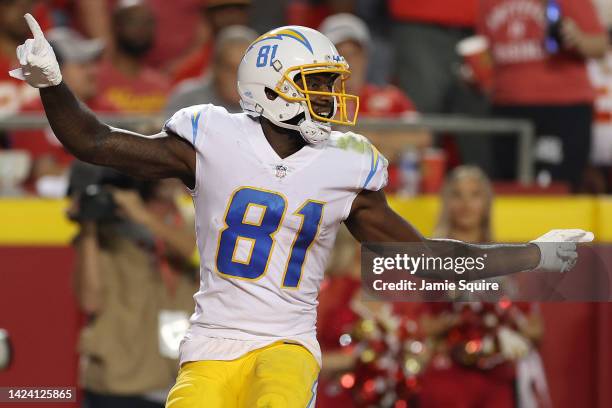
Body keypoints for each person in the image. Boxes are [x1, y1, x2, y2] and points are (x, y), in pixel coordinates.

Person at [11, 16, 592, 407]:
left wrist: (529, 255)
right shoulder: (213, 137)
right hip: (212, 343)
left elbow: (418, 258)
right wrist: (53, 84)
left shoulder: (345, 163)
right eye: (316, 83)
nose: (333, 98)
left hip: (286, 345)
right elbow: (94, 142)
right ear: (270, 89)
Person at [419, 166, 549, 408]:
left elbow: (533, 327)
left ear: (486, 203)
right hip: (448, 377)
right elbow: (419, 325)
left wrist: (511, 330)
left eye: (475, 195)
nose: (466, 203)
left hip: (496, 380)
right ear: (447, 203)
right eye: (457, 195)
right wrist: (460, 321)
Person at [68, 165, 198, 408]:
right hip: (121, 383)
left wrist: (145, 218)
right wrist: (88, 228)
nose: (167, 178)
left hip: (184, 379)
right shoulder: (110, 234)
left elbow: (192, 251)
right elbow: (90, 301)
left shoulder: (195, 221)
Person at [478, 0, 607, 190]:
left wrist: (578, 39)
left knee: (559, 188)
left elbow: (600, 46)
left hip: (563, 108)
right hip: (506, 107)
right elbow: (484, 48)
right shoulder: (487, 3)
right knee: (507, 188)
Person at [10, 27, 113, 196]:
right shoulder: (31, 112)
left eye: (93, 64)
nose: (93, 71)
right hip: (42, 209)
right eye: (82, 65)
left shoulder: (108, 109)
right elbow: (44, 173)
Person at [164, 25, 257, 116]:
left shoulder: (268, 107)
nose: (236, 77)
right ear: (215, 68)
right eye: (229, 68)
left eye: (244, 70)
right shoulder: (187, 100)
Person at [96, 0, 171, 113]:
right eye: (133, 21)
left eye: (148, 22)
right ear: (116, 26)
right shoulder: (95, 80)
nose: (142, 29)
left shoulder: (162, 85)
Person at [171, 0, 251, 84]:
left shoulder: (262, 55)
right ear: (209, 16)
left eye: (238, 9)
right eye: (223, 10)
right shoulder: (190, 69)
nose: (231, 17)